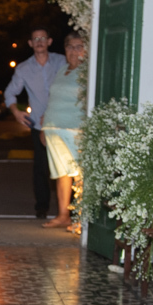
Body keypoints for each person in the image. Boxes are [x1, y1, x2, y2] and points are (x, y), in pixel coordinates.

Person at [5, 27, 66, 219]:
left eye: (43, 38)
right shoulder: (23, 68)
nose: (39, 41)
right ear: (31, 43)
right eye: (35, 39)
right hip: (39, 126)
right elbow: (9, 93)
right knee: (41, 167)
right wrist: (16, 112)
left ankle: (69, 210)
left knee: (66, 166)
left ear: (49, 41)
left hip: (63, 122)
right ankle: (42, 206)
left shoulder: (62, 61)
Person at [41, 31, 88, 229]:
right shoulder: (62, 70)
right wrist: (44, 127)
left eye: (79, 47)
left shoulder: (87, 73)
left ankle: (80, 218)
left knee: (79, 173)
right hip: (53, 128)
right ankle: (63, 215)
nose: (74, 51)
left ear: (86, 50)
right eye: (70, 47)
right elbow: (52, 99)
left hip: (75, 129)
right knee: (61, 173)